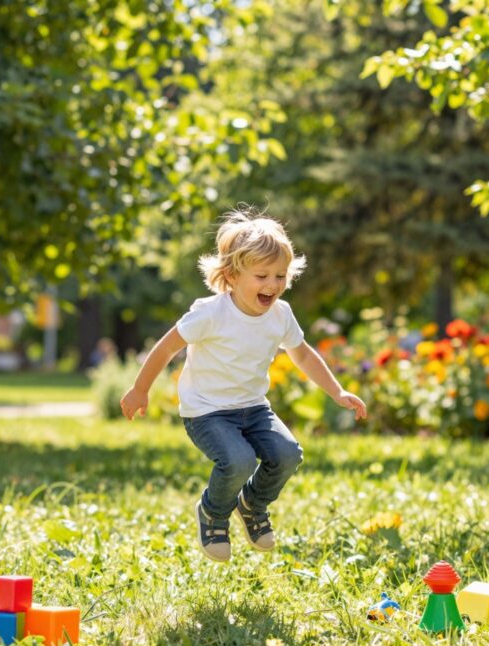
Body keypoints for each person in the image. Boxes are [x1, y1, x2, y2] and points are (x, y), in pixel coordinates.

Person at [120, 208, 367, 563]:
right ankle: (213, 513)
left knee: (287, 454)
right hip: (207, 412)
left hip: (253, 408)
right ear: (232, 275)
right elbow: (166, 347)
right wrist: (140, 389)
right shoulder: (211, 313)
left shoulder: (280, 314)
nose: (273, 285)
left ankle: (252, 504)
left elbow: (303, 354)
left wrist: (337, 391)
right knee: (238, 460)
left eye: (280, 275)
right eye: (262, 275)